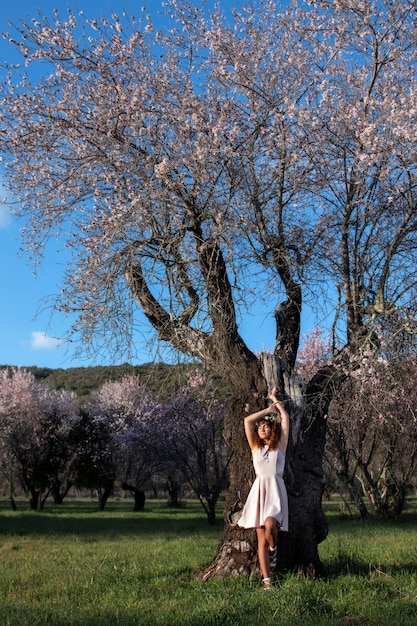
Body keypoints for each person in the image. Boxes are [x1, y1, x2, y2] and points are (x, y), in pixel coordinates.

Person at [238, 387, 289, 590]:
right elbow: (247, 422)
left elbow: (285, 420)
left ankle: (274, 549)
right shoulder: (255, 447)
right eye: (260, 427)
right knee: (261, 540)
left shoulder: (280, 446)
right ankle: (267, 582)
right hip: (259, 491)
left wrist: (275, 401)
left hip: (276, 490)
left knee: (270, 525)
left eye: (266, 426)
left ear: (272, 429)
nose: (261, 429)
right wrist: (266, 410)